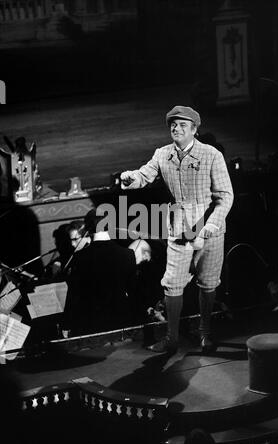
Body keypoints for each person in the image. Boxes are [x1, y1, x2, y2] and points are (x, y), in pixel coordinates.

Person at [121, 105, 234, 354]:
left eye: (183, 124)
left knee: (208, 284)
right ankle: (171, 338)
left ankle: (206, 334)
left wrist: (211, 225)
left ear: (194, 130)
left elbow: (225, 196)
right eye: (173, 124)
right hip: (179, 230)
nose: (176, 128)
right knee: (172, 284)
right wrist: (131, 178)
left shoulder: (212, 155)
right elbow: (145, 174)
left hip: (209, 230)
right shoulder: (163, 154)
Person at [63, 208, 151, 336]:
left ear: (88, 229)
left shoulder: (80, 257)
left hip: (91, 322)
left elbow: (74, 294)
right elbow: (134, 291)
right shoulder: (127, 254)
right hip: (121, 320)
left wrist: (67, 324)